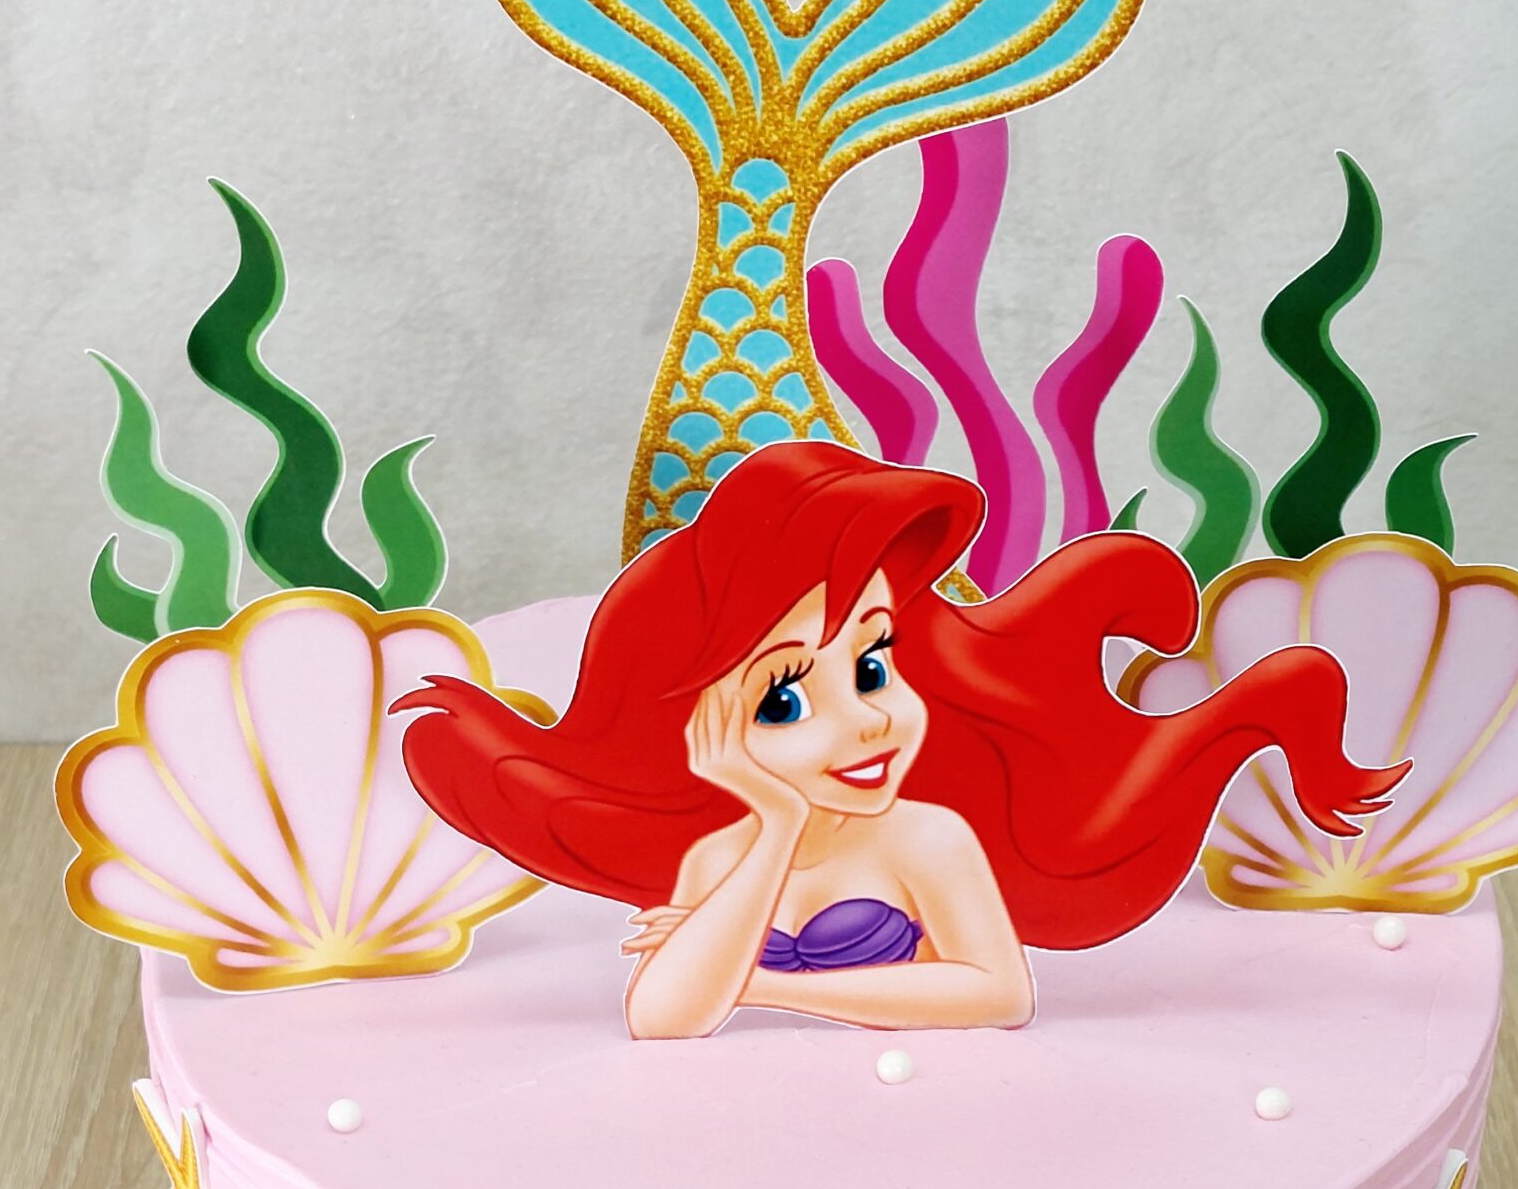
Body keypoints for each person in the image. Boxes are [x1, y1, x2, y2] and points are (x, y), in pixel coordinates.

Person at [398, 442, 1405, 1038]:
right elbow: (662, 1017)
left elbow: (998, 991)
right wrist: (775, 823)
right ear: (704, 727)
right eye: (784, 702)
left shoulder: (928, 839)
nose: (869, 716)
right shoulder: (716, 859)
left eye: (874, 664)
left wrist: (765, 982)